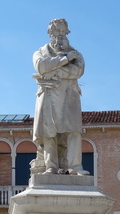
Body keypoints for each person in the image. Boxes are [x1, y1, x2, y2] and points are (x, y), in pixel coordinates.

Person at [31, 18, 88, 176]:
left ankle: (75, 166)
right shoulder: (40, 52)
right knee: (49, 132)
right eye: (57, 31)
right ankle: (51, 166)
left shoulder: (76, 54)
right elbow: (41, 66)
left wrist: (53, 72)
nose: (60, 35)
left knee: (74, 131)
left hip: (70, 97)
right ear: (50, 33)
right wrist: (65, 60)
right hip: (48, 96)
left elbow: (78, 71)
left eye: (63, 32)